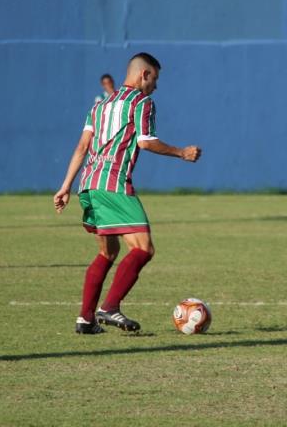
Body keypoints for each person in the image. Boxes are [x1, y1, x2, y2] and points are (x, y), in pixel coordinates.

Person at [54, 53, 202, 334]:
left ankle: (85, 319)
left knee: (108, 252)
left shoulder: (99, 107)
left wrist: (65, 187)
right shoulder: (142, 103)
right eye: (155, 80)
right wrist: (181, 152)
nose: (155, 87)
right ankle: (109, 307)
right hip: (113, 184)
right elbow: (146, 143)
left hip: (88, 184)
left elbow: (81, 148)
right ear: (144, 74)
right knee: (144, 248)